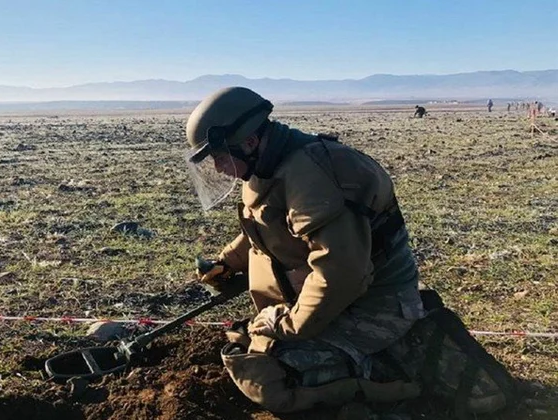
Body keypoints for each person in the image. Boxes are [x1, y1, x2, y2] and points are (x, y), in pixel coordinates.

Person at [184, 87, 516, 416]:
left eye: (220, 156)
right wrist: (226, 263)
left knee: (270, 375)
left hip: (376, 304)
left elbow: (340, 275)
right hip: (334, 300)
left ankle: (399, 383)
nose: (218, 168)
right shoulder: (269, 167)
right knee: (249, 344)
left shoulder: (314, 176)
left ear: (250, 142)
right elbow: (265, 228)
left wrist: (284, 326)